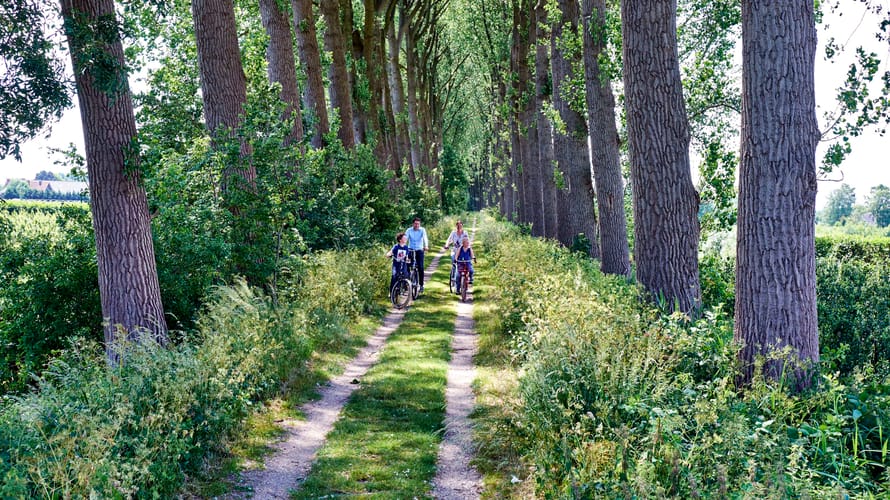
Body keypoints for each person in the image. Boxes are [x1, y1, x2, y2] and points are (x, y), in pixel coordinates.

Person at [404, 217, 429, 292]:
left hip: (419, 250)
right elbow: (405, 239)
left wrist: (426, 246)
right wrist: (403, 246)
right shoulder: (409, 230)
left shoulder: (422, 230)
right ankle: (407, 282)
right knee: (407, 265)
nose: (417, 225)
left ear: (420, 224)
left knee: (421, 267)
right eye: (415, 224)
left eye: (418, 224)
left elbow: (425, 238)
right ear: (413, 224)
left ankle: (421, 285)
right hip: (410, 250)